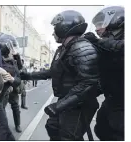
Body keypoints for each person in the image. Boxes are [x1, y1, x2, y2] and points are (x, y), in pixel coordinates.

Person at [20, 10, 100, 140]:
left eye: (55, 28)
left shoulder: (82, 48)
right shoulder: (64, 49)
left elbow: (88, 84)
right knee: (52, 127)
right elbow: (52, 72)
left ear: (65, 27)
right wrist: (27, 76)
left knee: (68, 137)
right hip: (67, 100)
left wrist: (58, 106)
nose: (53, 32)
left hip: (80, 105)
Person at [84, 6, 124, 140]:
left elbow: (120, 48)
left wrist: (96, 41)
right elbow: (106, 73)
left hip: (124, 103)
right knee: (101, 128)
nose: (97, 29)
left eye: (101, 24)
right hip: (112, 98)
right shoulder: (106, 45)